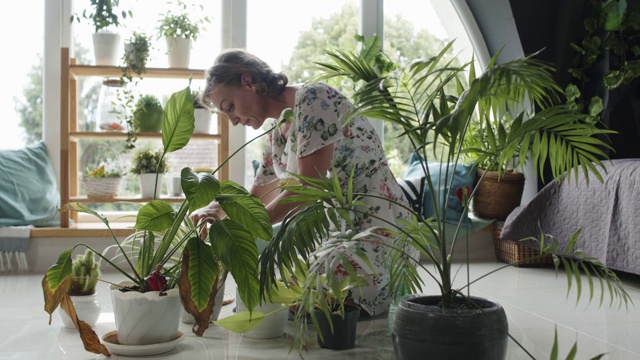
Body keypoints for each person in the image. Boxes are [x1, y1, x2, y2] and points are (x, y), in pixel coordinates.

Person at [190, 49, 411, 316]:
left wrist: (241, 229)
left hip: (378, 231)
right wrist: (219, 208)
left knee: (298, 303)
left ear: (248, 81)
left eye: (229, 107)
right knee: (267, 297)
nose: (233, 121)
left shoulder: (313, 100)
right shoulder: (276, 137)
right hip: (337, 237)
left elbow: (308, 189)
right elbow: (258, 197)